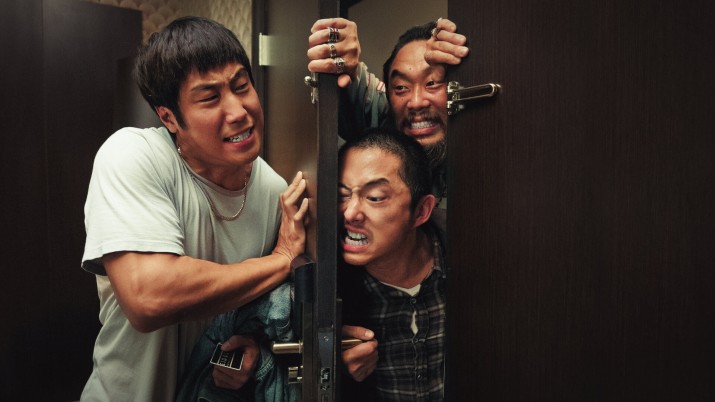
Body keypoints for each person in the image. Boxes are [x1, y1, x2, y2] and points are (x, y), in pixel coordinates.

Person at [80, 17, 309, 402]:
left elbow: (248, 313)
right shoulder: (134, 155)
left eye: (241, 86)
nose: (238, 111)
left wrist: (251, 350)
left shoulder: (274, 191)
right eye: (210, 98)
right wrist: (281, 260)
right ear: (169, 117)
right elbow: (149, 297)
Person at [335, 129, 447, 401]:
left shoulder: (470, 259)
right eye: (342, 195)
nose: (350, 213)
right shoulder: (331, 287)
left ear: (421, 211)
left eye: (374, 197)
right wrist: (334, 367)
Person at [307, 18, 469, 204]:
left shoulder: (484, 137)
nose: (416, 103)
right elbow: (353, 81)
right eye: (400, 87)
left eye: (432, 83)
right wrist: (337, 48)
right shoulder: (386, 113)